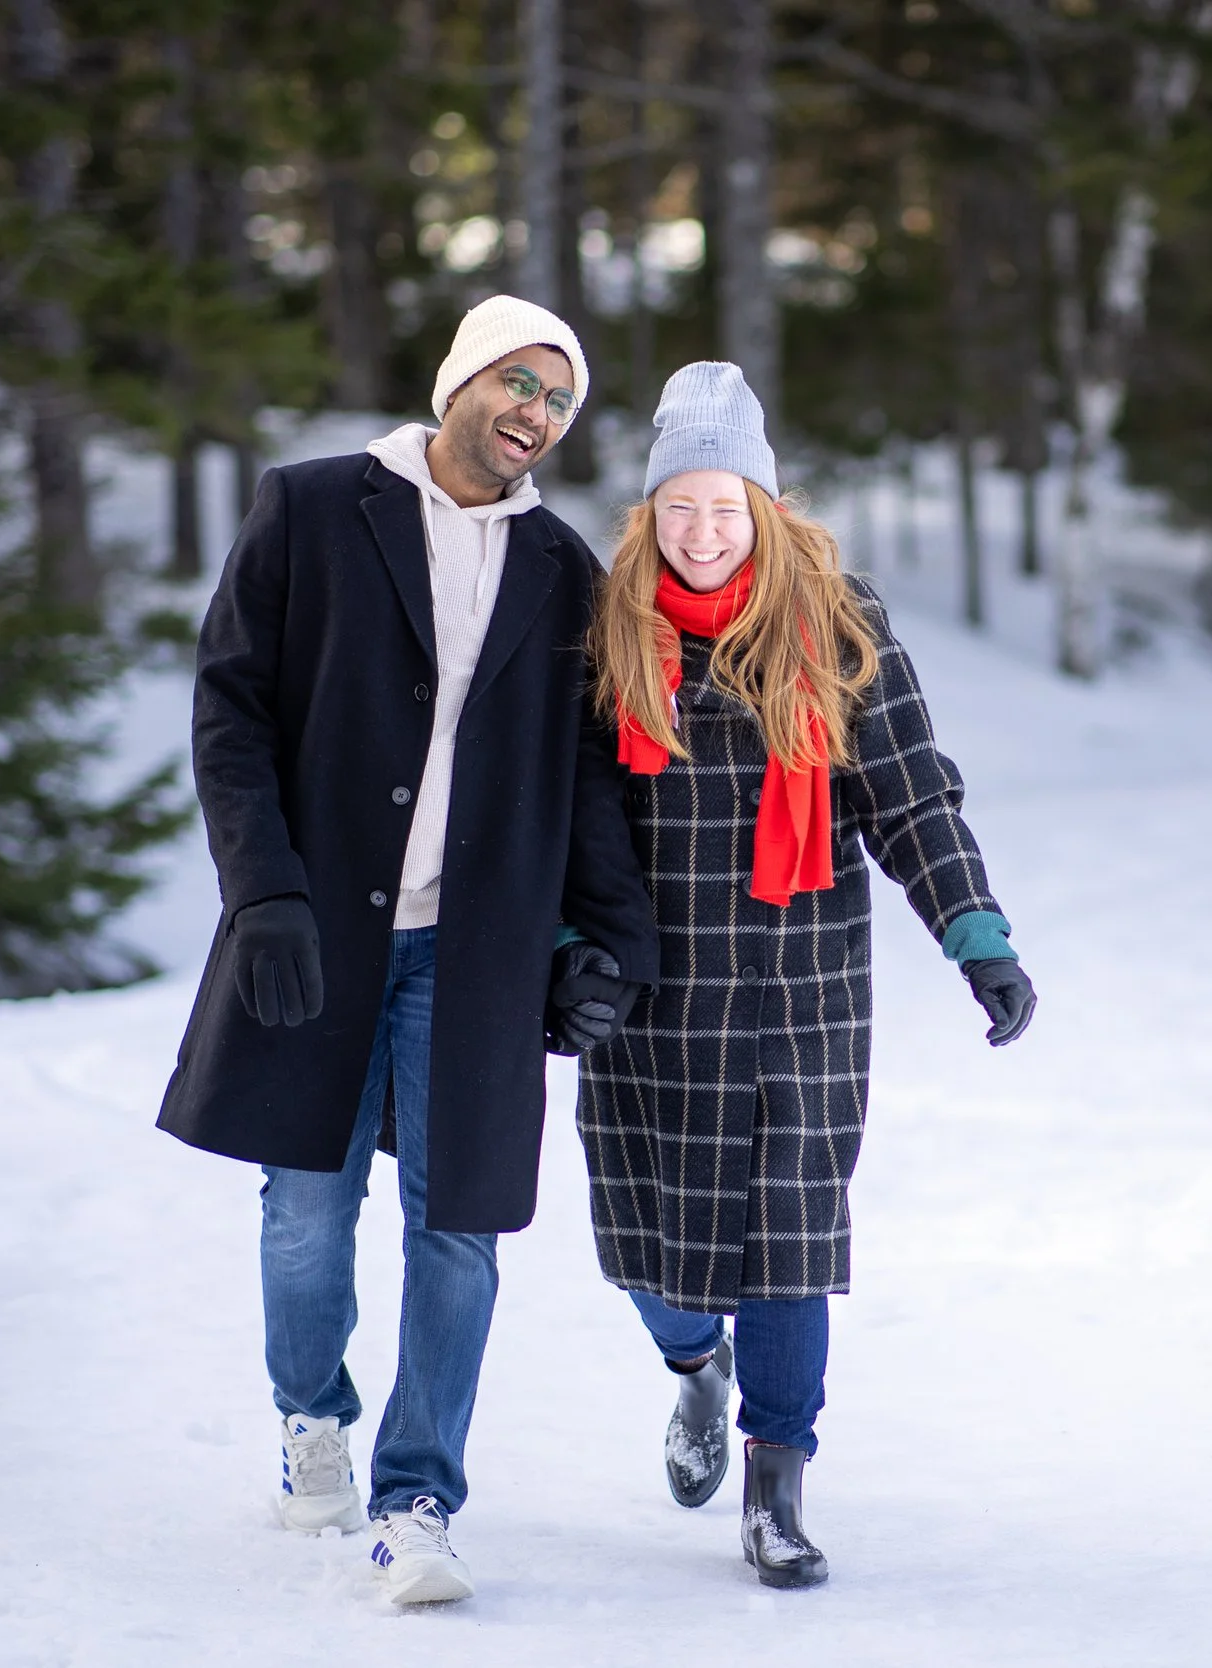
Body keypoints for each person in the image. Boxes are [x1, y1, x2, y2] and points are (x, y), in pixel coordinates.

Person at [156, 296, 659, 1606]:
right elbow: (232, 707)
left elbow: (592, 776)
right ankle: (311, 1412)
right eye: (518, 381)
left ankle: (418, 1498)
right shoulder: (316, 508)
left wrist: (611, 941)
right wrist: (262, 892)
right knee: (308, 1215)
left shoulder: (562, 569)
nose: (536, 413)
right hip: (317, 932)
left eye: (559, 399)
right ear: (459, 379)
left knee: (462, 1230)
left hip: (471, 955)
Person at [572, 362, 1037, 1589]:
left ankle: (775, 1492)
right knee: (647, 1251)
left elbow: (909, 792)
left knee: (787, 1243)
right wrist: (565, 952)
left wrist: (974, 931)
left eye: (726, 506)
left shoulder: (839, 623)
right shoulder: (608, 629)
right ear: (650, 512)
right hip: (651, 996)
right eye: (680, 507)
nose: (704, 531)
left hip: (801, 992)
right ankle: (692, 1369)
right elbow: (561, 819)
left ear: (765, 509)